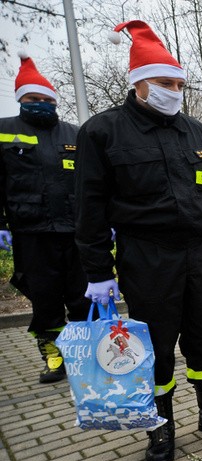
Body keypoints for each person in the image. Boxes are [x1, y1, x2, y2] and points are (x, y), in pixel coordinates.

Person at [74, 20, 202, 461]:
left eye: (178, 83)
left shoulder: (198, 134)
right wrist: (98, 272)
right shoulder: (102, 133)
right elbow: (89, 210)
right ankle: (159, 425)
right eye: (163, 83)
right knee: (154, 345)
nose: (173, 91)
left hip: (199, 252)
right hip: (145, 255)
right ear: (138, 83)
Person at [0, 52, 89, 384]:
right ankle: (54, 356)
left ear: (54, 100)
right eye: (33, 98)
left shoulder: (76, 134)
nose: (40, 103)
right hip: (31, 233)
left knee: (82, 299)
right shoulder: (5, 132)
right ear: (21, 99)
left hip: (75, 233)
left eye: (46, 99)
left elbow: (92, 184)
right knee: (45, 300)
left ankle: (83, 353)